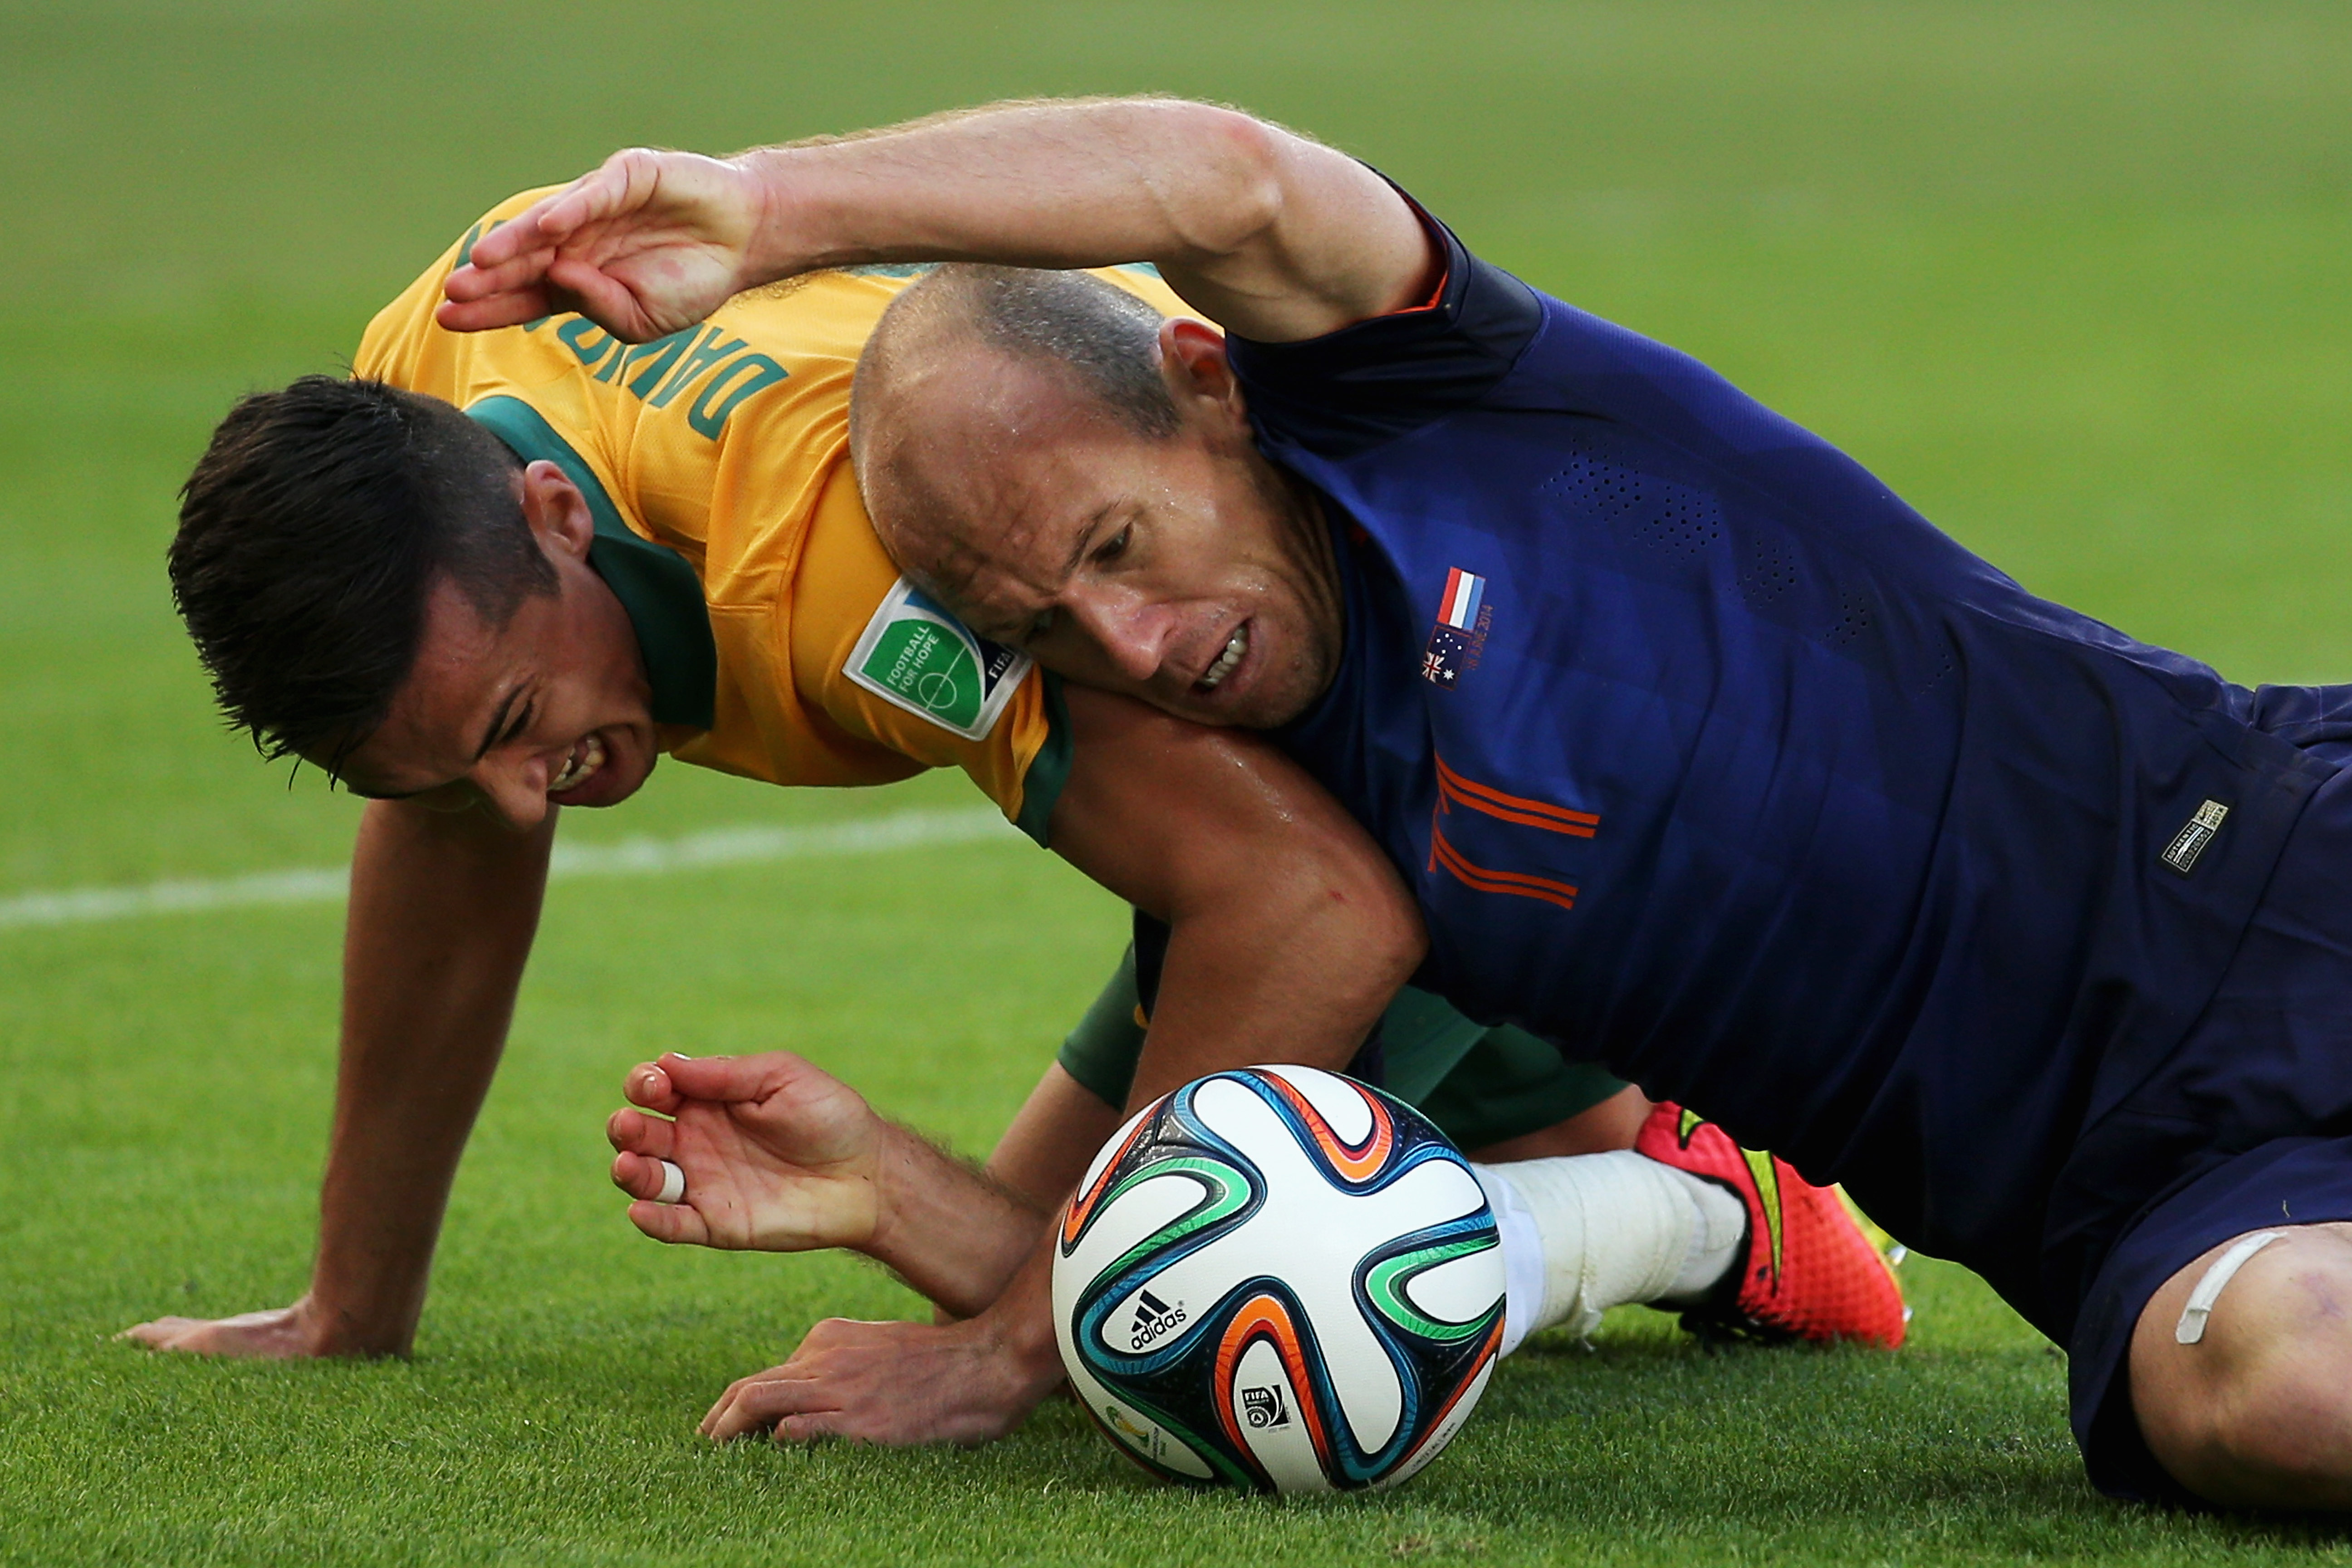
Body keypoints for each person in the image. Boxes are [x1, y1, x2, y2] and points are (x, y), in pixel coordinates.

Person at [452, 97, 2352, 1509]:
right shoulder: (1293, 838)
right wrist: (915, 1210)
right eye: (1051, 627)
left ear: (1204, 386)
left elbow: (1227, 178)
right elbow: (1199, 1185)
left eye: (1116, 543)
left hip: (2267, 847)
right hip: (2146, 1205)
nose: (1133, 639)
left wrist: (770, 208)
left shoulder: (1430, 392)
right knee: (2276, 1401)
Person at [129, 181, 1894, 1393]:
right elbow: (450, 810)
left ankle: (1682, 1203)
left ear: (557, 517)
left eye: (522, 724)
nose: (524, 803)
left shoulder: (854, 574)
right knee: (1084, 1268)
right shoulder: (425, 373)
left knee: (1183, 1329)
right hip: (1267, 710)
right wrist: (352, 1309)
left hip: (1482, 698)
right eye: (456, 770)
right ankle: (1594, 1136)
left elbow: (1313, 898)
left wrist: (1007, 1340)